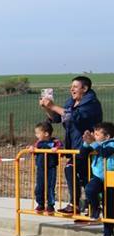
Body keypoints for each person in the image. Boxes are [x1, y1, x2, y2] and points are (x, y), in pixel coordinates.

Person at [40, 76, 104, 214]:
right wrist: (47, 108)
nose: (72, 89)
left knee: (75, 170)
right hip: (74, 145)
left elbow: (73, 117)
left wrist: (53, 106)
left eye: (75, 86)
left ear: (85, 88)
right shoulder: (70, 103)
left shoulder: (92, 104)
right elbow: (56, 118)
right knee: (83, 175)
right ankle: (86, 206)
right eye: (71, 86)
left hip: (88, 145)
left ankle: (83, 206)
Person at [81, 123, 114, 224]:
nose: (94, 136)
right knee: (89, 190)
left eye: (97, 134)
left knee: (109, 209)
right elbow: (82, 154)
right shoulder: (95, 144)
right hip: (98, 177)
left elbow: (105, 153)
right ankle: (95, 208)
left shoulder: (112, 144)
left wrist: (93, 142)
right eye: (94, 134)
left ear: (107, 136)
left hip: (111, 178)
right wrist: (86, 142)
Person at [29, 121, 62, 213]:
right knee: (39, 187)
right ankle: (40, 204)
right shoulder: (38, 143)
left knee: (50, 187)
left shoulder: (55, 142)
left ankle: (50, 205)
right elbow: (33, 149)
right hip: (40, 168)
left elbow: (61, 148)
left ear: (46, 133)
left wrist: (57, 149)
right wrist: (31, 149)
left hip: (51, 168)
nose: (36, 135)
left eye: (38, 133)